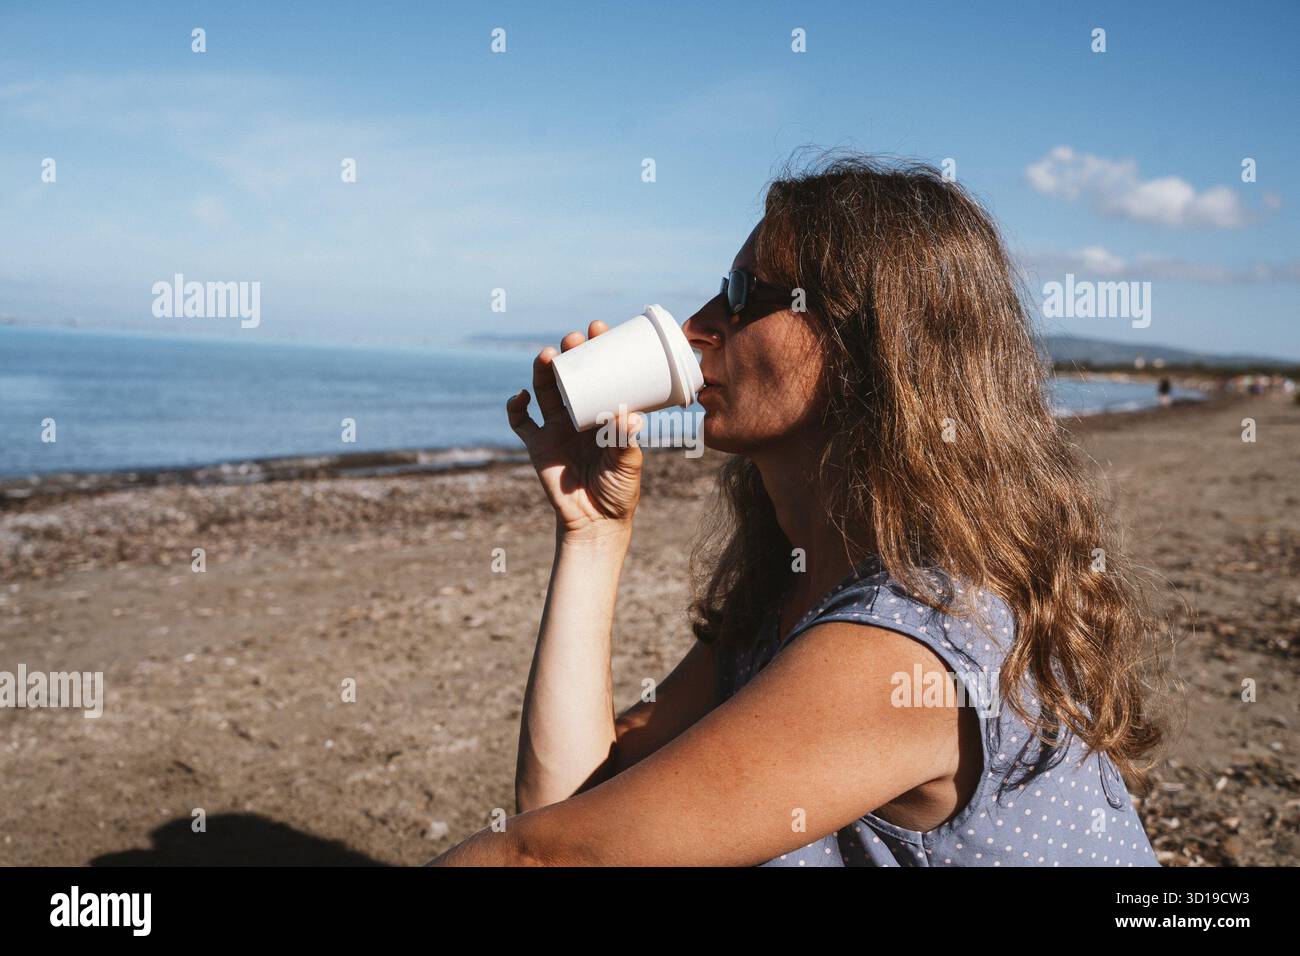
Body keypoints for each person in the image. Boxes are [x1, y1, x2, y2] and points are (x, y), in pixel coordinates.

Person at [429, 154, 1163, 866]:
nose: (695, 325)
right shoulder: (791, 591)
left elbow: (548, 859)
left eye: (744, 295)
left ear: (867, 345)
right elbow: (571, 804)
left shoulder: (916, 636)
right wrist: (590, 535)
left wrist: (549, 849)